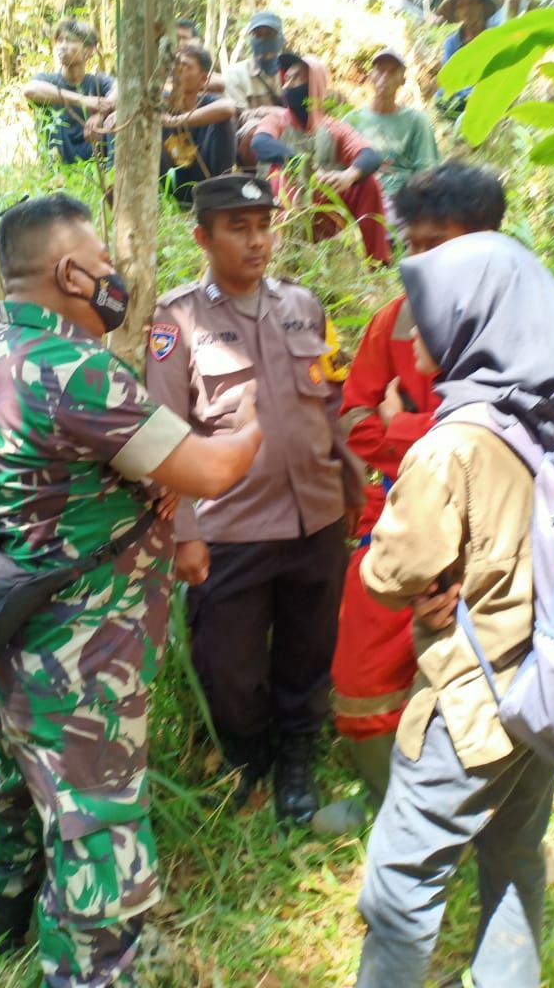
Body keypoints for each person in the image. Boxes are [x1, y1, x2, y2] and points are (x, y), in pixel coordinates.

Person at [0, 193, 262, 987]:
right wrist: (256, 415)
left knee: (25, 784)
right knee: (97, 823)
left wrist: (142, 490)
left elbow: (58, 477)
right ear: (68, 271)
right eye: (102, 263)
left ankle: (0, 921)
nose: (113, 277)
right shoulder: (76, 369)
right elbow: (214, 467)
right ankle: (95, 971)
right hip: (89, 650)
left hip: (25, 631)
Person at [354, 230, 554, 987]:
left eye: (430, 313)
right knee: (514, 857)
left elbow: (391, 571)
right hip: (544, 686)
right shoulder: (542, 417)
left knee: (400, 883)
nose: (413, 329)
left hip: (471, 703)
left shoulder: (450, 446)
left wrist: (414, 577)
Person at [145, 173, 364, 825]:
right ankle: (248, 758)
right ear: (202, 237)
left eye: (264, 225)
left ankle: (297, 761)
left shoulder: (303, 304)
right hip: (231, 526)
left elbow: (334, 402)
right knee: (230, 669)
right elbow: (164, 430)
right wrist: (183, 530)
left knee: (308, 649)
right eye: (237, 228)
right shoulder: (177, 319)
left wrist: (351, 487)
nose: (256, 240)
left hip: (316, 516)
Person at [314, 163, 506, 836]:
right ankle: (395, 801)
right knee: (362, 668)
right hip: (395, 518)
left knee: (476, 676)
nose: (421, 259)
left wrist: (406, 426)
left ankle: (484, 821)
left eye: (440, 243)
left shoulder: (512, 327)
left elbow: (505, 441)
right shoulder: (392, 322)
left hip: (489, 533)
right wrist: (418, 431)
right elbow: (354, 422)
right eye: (414, 244)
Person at [251, 52, 390, 263]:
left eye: (297, 78)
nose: (289, 84)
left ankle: (377, 262)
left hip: (323, 210)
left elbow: (369, 155)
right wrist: (298, 163)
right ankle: (283, 257)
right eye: (286, 78)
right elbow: (260, 142)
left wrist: (349, 176)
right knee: (279, 176)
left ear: (315, 85)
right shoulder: (277, 119)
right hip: (276, 208)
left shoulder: (334, 128)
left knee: (368, 184)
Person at [343, 49, 438, 213]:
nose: (384, 78)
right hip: (359, 198)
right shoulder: (352, 120)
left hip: (399, 202)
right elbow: (338, 165)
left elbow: (426, 173)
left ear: (402, 80)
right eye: (379, 71)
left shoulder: (417, 122)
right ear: (371, 76)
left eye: (392, 73)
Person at [23, 18, 114, 164]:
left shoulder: (98, 82)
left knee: (116, 115)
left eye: (70, 40)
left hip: (95, 163)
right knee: (48, 107)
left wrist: (101, 114)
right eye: (60, 41)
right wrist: (83, 100)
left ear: (89, 50)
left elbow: (123, 91)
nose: (63, 46)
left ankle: (112, 177)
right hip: (59, 165)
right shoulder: (47, 81)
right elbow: (30, 90)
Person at [160, 43, 237, 204]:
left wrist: (175, 121)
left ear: (202, 79)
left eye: (186, 66)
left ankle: (221, 193)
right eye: (176, 65)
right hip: (168, 184)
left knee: (223, 121)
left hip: (204, 185)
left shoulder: (209, 101)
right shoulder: (160, 101)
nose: (178, 70)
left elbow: (228, 108)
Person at [223, 11, 285, 168]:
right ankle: (259, 179)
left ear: (280, 38)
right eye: (258, 35)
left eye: (269, 34)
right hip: (253, 136)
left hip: (291, 129)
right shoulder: (235, 74)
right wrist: (272, 113)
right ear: (251, 40)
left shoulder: (292, 70)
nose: (264, 40)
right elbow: (239, 115)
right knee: (256, 131)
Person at [437, 0, 501, 115]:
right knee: (440, 99)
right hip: (461, 99)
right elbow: (448, 80)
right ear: (456, 13)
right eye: (461, 6)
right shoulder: (451, 43)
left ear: (481, 6)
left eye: (471, 3)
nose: (466, 10)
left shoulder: (495, 37)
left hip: (486, 97)